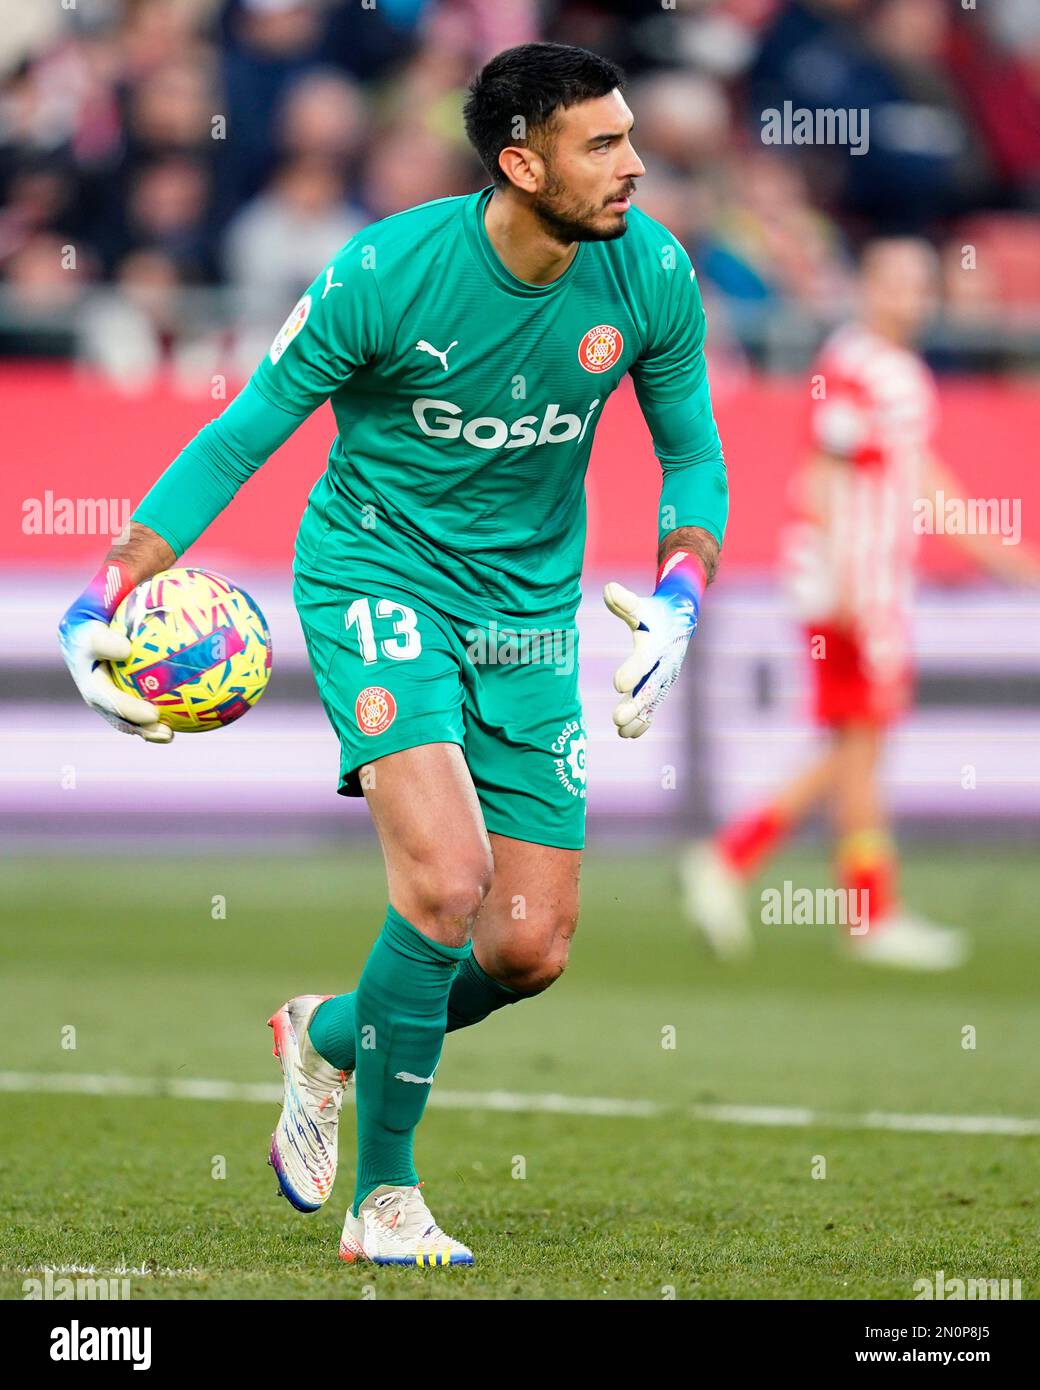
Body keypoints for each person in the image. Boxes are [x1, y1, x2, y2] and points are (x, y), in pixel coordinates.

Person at [58, 43, 728, 1267]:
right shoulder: (386, 270)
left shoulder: (650, 271)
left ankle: (323, 1037)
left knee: (528, 947)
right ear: (519, 164)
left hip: (529, 612)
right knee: (443, 880)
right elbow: (243, 431)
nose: (634, 164)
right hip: (380, 579)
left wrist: (683, 587)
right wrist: (106, 586)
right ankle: (386, 1200)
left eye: (630, 136)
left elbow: (690, 451)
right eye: (602, 145)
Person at [682, 237, 1035, 971]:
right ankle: (824, 896)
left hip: (873, 585)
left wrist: (1009, 560)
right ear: (867, 289)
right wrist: (842, 577)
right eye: (895, 283)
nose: (909, 298)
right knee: (861, 746)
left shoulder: (903, 376)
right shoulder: (852, 366)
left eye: (920, 284)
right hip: (851, 586)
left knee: (856, 747)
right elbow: (824, 474)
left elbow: (926, 483)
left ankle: (784, 879)